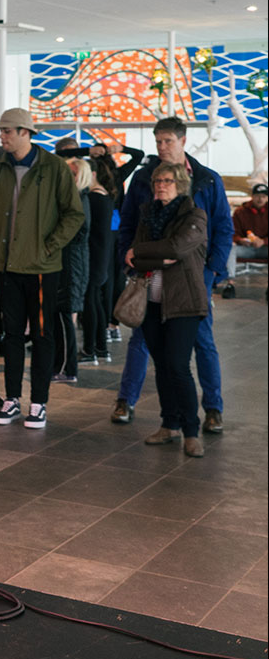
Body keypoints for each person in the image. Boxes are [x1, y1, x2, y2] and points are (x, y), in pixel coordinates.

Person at [111, 117, 233, 433]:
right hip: (150, 275)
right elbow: (127, 225)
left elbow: (222, 227)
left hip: (193, 277)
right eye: (158, 142)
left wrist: (212, 270)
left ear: (182, 140)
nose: (162, 147)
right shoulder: (142, 180)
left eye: (168, 141)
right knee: (141, 336)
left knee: (202, 341)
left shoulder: (206, 180)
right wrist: (130, 261)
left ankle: (213, 408)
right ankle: (126, 399)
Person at [0, 108, 84, 429]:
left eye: (8, 131)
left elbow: (74, 215)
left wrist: (48, 247)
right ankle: (11, 399)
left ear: (26, 132)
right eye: (1, 131)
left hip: (42, 269)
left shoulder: (53, 169)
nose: (2, 136)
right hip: (6, 269)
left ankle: (38, 402)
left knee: (41, 335)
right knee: (10, 335)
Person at [128, 162, 209, 457]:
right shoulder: (147, 216)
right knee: (162, 367)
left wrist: (142, 252)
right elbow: (134, 259)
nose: (161, 185)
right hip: (151, 302)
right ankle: (169, 424)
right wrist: (152, 257)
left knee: (177, 366)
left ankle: (191, 430)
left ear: (181, 184)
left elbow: (177, 249)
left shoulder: (195, 216)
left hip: (184, 303)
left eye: (167, 181)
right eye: (157, 181)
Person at [51, 158, 92, 383]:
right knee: (61, 315)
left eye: (73, 174)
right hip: (68, 262)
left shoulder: (79, 199)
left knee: (65, 314)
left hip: (72, 264)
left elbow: (76, 232)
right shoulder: (72, 198)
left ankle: (67, 368)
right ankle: (62, 365)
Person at [79, 158, 118, 363]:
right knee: (97, 301)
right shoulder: (106, 195)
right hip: (104, 255)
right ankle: (101, 348)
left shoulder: (92, 198)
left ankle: (89, 349)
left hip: (94, 255)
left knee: (90, 302)